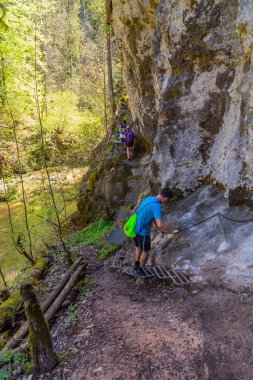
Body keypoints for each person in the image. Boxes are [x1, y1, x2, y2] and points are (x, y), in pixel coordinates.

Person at [133, 188, 178, 277]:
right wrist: (172, 231)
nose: (167, 202)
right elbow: (160, 224)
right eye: (168, 200)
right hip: (143, 232)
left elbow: (151, 217)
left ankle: (136, 264)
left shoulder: (148, 199)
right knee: (146, 251)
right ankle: (141, 270)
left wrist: (160, 229)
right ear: (166, 198)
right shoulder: (156, 206)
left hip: (135, 229)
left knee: (138, 247)